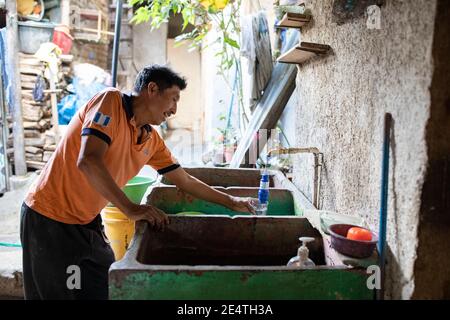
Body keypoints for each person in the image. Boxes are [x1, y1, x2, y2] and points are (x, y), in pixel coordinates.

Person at [20, 65, 256, 300]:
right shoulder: (110, 101)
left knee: (103, 288)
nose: (174, 110)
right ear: (152, 89)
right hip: (49, 219)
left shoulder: (151, 140)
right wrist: (131, 209)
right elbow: (89, 161)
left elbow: (184, 180)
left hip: (87, 223)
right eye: (173, 99)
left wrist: (231, 201)